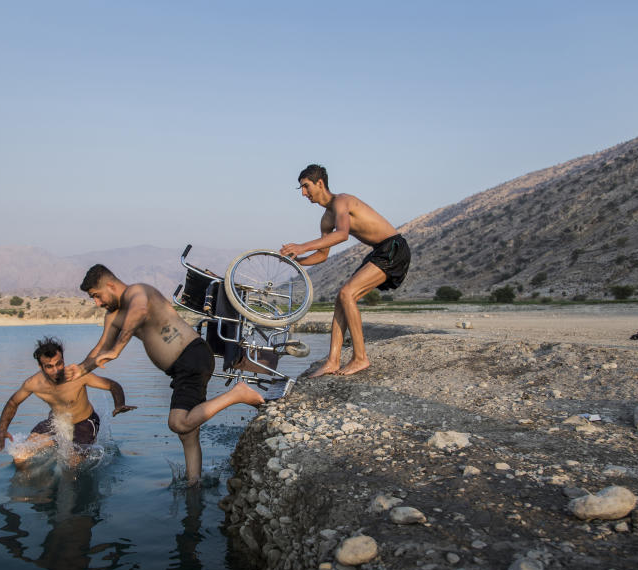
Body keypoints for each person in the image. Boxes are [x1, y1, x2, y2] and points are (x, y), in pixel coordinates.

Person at [63, 265, 264, 484]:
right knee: (187, 433)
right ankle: (193, 483)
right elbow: (101, 347)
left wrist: (117, 349)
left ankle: (239, 394)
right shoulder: (113, 317)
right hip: (180, 368)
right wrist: (81, 369)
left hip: (192, 356)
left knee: (178, 422)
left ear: (110, 285)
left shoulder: (138, 292)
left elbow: (139, 313)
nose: (97, 303)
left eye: (97, 296)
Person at [280, 164, 411, 377]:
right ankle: (332, 361)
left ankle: (360, 358)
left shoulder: (342, 201)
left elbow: (342, 234)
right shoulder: (325, 219)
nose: (303, 193)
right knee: (341, 298)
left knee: (347, 293)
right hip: (379, 251)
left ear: (319, 183)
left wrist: (302, 245)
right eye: (301, 189)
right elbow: (322, 255)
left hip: (394, 248)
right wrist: (298, 260)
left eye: (306, 186)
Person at [0, 336, 136, 466]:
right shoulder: (33, 383)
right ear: (40, 367)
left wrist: (119, 404)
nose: (56, 370)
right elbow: (13, 402)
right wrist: (1, 430)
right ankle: (35, 490)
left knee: (72, 465)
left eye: (59, 363)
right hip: (57, 421)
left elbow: (112, 385)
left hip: (84, 423)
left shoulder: (78, 375)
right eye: (49, 366)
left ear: (63, 360)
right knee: (20, 457)